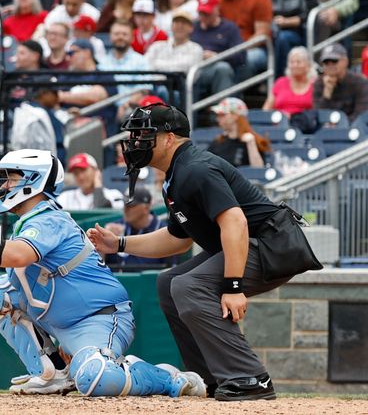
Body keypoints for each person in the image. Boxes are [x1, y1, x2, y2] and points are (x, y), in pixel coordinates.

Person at [0, 148, 205, 397]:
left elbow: (17, 254)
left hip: (99, 319)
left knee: (94, 377)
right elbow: (8, 254)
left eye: (11, 179)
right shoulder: (27, 221)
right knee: (2, 291)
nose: (3, 186)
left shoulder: (49, 218)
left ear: (33, 182)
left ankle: (171, 379)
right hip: (59, 321)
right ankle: (50, 372)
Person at [91, 103, 322, 400]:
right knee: (168, 282)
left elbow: (235, 222)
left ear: (169, 138)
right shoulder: (177, 173)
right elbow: (179, 239)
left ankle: (250, 378)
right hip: (249, 245)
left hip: (272, 246)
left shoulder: (195, 168)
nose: (136, 142)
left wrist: (233, 286)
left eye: (144, 134)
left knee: (188, 286)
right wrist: (120, 244)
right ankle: (211, 378)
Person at [147, 11, 236, 102]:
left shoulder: (196, 49)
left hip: (181, 91)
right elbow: (146, 67)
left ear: (191, 28)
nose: (180, 26)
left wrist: (157, 67)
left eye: (184, 23)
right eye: (177, 23)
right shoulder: (157, 46)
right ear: (171, 26)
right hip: (155, 88)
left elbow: (184, 69)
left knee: (166, 92)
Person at [261, 0, 318, 78]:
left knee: (283, 38)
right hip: (271, 32)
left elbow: (312, 15)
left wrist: (290, 21)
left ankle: (280, 79)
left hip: (298, 33)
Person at [104, 188, 178, 270]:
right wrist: (104, 240)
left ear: (146, 208)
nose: (125, 209)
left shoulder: (163, 231)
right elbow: (97, 266)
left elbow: (170, 269)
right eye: (124, 204)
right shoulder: (115, 228)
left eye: (130, 205)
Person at [219, 0, 273, 76]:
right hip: (226, 49)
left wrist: (238, 50)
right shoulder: (221, 1)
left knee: (246, 59)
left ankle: (236, 93)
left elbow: (262, 35)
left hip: (253, 49)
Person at [191, 0, 246, 74]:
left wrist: (217, 56)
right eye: (201, 13)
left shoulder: (229, 28)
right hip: (195, 67)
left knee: (222, 68)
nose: (203, 17)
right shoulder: (193, 27)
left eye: (207, 13)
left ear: (217, 9)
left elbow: (240, 56)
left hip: (219, 69)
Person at [208, 97, 271, 168]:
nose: (218, 119)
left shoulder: (251, 141)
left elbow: (258, 171)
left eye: (222, 114)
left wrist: (251, 144)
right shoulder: (217, 142)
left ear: (235, 116)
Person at [313, 43, 368, 122]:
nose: (330, 65)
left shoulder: (359, 82)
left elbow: (361, 114)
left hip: (353, 130)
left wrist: (339, 125)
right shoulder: (319, 83)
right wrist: (327, 93)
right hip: (325, 130)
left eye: (334, 61)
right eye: (326, 62)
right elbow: (317, 116)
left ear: (345, 61)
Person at [10, 88, 65, 161]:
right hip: (44, 162)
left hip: (23, 161)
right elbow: (58, 143)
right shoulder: (41, 114)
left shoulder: (22, 109)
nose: (57, 98)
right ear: (44, 93)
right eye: (55, 93)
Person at [57, 152, 124, 210]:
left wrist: (98, 186)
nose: (81, 177)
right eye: (76, 173)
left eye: (83, 171)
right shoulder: (65, 197)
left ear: (96, 171)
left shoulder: (114, 195)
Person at [262, 46, 315, 116]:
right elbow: (266, 110)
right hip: (280, 124)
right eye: (291, 62)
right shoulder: (280, 83)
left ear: (308, 65)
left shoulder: (315, 85)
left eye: (298, 62)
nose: (294, 65)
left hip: (305, 124)